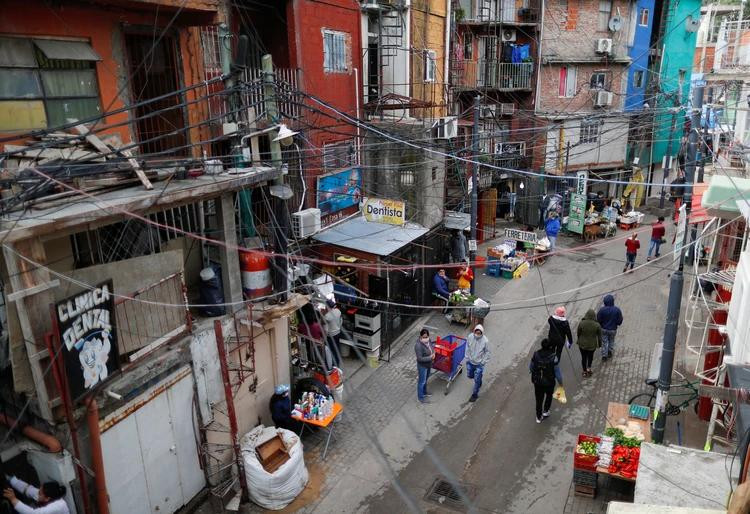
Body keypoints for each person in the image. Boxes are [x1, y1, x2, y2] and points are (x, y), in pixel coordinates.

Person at [3, 476, 69, 514]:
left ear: (47, 498)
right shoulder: (48, 496)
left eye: (40, 493)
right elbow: (28, 489)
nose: (37, 493)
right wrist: (11, 479)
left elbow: (32, 513)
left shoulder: (58, 506)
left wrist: (13, 499)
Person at [529, 338, 557, 423]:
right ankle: (546, 411)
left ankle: (538, 417)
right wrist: (561, 383)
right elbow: (557, 372)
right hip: (549, 382)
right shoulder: (553, 357)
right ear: (550, 347)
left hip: (538, 382)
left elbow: (531, 366)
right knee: (549, 396)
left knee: (539, 399)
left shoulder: (536, 354)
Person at [466, 324, 490, 402]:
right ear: (474, 331)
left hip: (479, 364)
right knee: (470, 375)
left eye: (479, 333)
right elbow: (467, 346)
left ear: (482, 333)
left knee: (476, 380)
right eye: (476, 333)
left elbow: (487, 352)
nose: (477, 335)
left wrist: (483, 362)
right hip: (470, 362)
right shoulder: (470, 337)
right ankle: (479, 380)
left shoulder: (485, 341)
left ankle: (475, 394)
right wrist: (467, 357)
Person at [597, 294, 623, 361]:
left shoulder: (602, 310)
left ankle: (604, 356)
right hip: (613, 329)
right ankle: (609, 351)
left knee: (604, 341)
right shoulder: (617, 310)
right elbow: (620, 320)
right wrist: (617, 323)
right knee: (611, 340)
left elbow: (598, 319)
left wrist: (601, 324)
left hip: (604, 329)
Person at [577, 309, 602, 377]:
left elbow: (578, 332)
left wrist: (579, 339)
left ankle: (584, 371)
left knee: (583, 357)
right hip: (592, 345)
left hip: (582, 344)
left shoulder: (582, 323)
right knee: (590, 357)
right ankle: (589, 369)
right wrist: (599, 344)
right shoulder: (597, 325)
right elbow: (599, 336)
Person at [415, 328, 434, 403]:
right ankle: (420, 398)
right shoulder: (418, 346)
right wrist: (430, 357)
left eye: (427, 337)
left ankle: (425, 392)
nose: (426, 339)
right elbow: (419, 358)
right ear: (420, 337)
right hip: (422, 366)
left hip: (429, 364)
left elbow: (432, 347)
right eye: (424, 337)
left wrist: (434, 352)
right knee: (421, 381)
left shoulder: (429, 340)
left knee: (426, 379)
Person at [323, 300, 342, 367]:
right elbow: (341, 321)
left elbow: (325, 329)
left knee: (331, 351)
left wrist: (324, 337)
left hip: (331, 336)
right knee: (337, 348)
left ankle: (333, 365)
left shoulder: (327, 316)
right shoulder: (338, 311)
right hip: (338, 333)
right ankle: (337, 363)